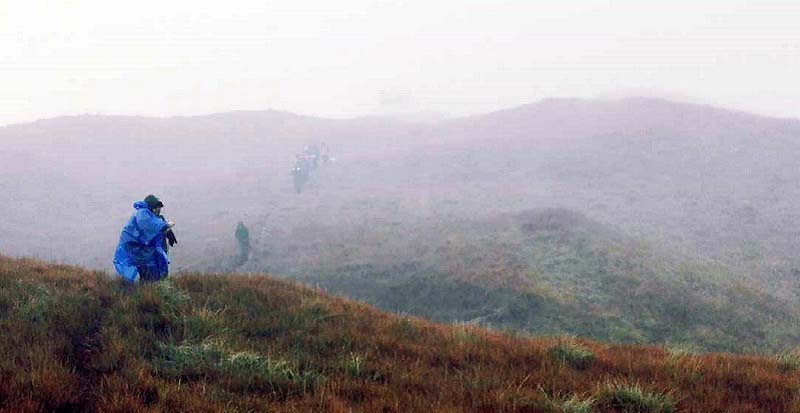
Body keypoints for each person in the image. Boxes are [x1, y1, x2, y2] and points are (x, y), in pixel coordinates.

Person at [113, 195, 175, 283]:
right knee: (148, 269)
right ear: (149, 208)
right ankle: (149, 288)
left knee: (158, 266)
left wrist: (168, 232)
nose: (158, 209)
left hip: (149, 248)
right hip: (138, 248)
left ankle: (158, 285)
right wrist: (166, 226)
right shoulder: (142, 216)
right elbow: (150, 226)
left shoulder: (156, 218)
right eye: (155, 207)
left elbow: (157, 226)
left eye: (159, 207)